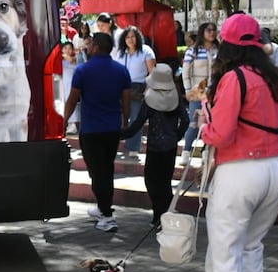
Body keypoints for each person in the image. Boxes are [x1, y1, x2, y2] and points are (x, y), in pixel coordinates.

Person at [195, 13, 278, 272]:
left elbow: (220, 134)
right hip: (276, 168)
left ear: (227, 44)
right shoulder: (273, 77)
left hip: (241, 170)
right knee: (251, 244)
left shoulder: (234, 78)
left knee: (224, 251)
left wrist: (204, 126)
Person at [63, 32, 131, 232]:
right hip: (111, 128)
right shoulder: (121, 71)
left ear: (96, 47)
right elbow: (126, 101)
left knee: (97, 172)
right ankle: (103, 207)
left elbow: (72, 99)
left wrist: (64, 121)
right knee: (105, 169)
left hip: (91, 129)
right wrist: (125, 122)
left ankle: (107, 215)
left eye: (91, 43)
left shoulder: (83, 70)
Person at [120, 63, 189, 228]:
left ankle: (160, 214)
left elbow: (137, 125)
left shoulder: (150, 100)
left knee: (152, 181)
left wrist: (120, 134)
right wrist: (176, 136)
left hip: (154, 147)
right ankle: (165, 214)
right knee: (165, 182)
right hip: (170, 147)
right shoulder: (176, 98)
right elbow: (185, 120)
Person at [114, 26, 156, 159]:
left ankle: (133, 147)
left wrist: (148, 89)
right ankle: (115, 144)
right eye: (127, 37)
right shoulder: (120, 53)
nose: (130, 40)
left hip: (138, 88)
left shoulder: (146, 51)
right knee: (118, 118)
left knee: (136, 119)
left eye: (132, 36)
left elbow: (152, 72)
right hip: (121, 87)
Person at [180, 21, 219, 164]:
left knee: (212, 122)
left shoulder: (218, 51)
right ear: (202, 32)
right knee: (194, 122)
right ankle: (186, 151)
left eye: (214, 30)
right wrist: (188, 90)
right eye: (208, 30)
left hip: (214, 92)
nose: (212, 32)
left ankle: (205, 151)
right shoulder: (193, 51)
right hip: (198, 91)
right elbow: (186, 71)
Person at [60, 40, 79, 134]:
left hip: (71, 84)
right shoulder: (61, 60)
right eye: (65, 48)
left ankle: (73, 124)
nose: (67, 50)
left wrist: (62, 54)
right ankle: (65, 123)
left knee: (70, 102)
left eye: (69, 48)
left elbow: (71, 60)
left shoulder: (74, 59)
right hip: (63, 83)